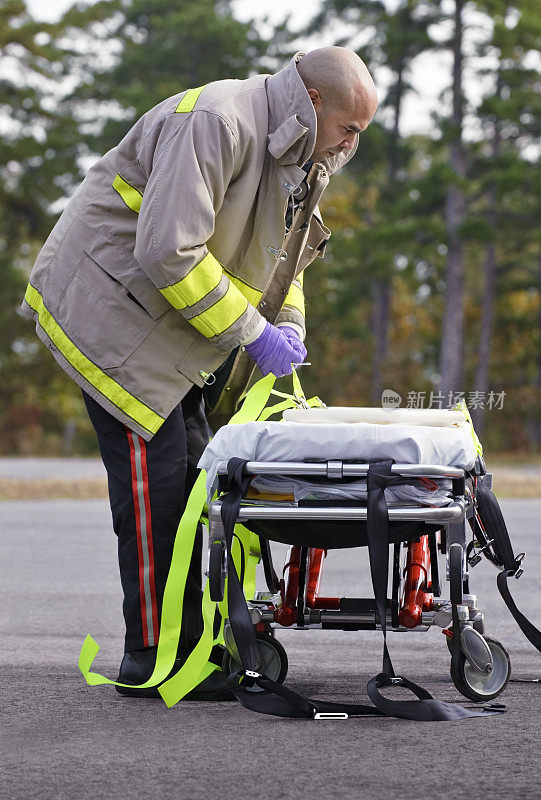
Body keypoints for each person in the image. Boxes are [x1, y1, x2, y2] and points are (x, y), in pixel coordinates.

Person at [22, 47, 378, 699]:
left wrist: (288, 324)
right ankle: (153, 659)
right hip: (112, 320)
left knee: (195, 491)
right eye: (350, 128)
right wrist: (253, 335)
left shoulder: (297, 153)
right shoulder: (216, 119)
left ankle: (196, 646)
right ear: (315, 100)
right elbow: (167, 251)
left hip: (174, 335)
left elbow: (281, 261)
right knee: (156, 489)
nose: (353, 144)